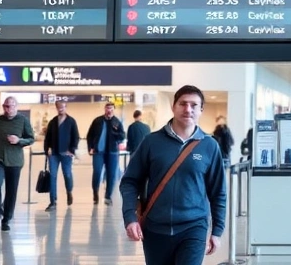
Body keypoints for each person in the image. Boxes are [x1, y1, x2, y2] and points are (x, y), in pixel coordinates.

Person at [120, 85, 227, 265]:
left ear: (201, 109)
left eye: (194, 105)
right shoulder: (152, 142)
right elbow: (130, 181)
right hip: (155, 229)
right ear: (173, 106)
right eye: (183, 104)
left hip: (193, 228)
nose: (188, 109)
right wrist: (130, 217)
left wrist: (217, 231)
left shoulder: (210, 146)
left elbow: (218, 193)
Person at [0, 96, 35, 232]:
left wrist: (19, 140)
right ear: (3, 107)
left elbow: (30, 139)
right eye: (6, 106)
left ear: (16, 107)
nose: (9, 109)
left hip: (15, 161)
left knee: (11, 191)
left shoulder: (23, 120)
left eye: (11, 106)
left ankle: (6, 219)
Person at [43, 100, 80, 211]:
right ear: (56, 108)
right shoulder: (53, 122)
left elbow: (76, 137)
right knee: (53, 177)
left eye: (63, 107)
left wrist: (72, 150)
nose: (61, 109)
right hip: (53, 153)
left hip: (66, 154)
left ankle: (69, 191)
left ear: (66, 107)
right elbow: (47, 138)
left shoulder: (71, 121)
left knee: (67, 174)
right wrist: (47, 149)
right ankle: (53, 201)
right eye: (59, 107)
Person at [87, 102, 125, 205]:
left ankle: (108, 196)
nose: (109, 111)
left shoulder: (117, 122)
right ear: (105, 109)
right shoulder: (97, 121)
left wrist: (115, 132)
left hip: (112, 152)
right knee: (97, 172)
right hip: (98, 151)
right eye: (108, 108)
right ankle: (95, 192)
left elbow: (122, 136)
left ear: (113, 110)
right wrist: (90, 147)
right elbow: (90, 135)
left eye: (111, 109)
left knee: (111, 175)